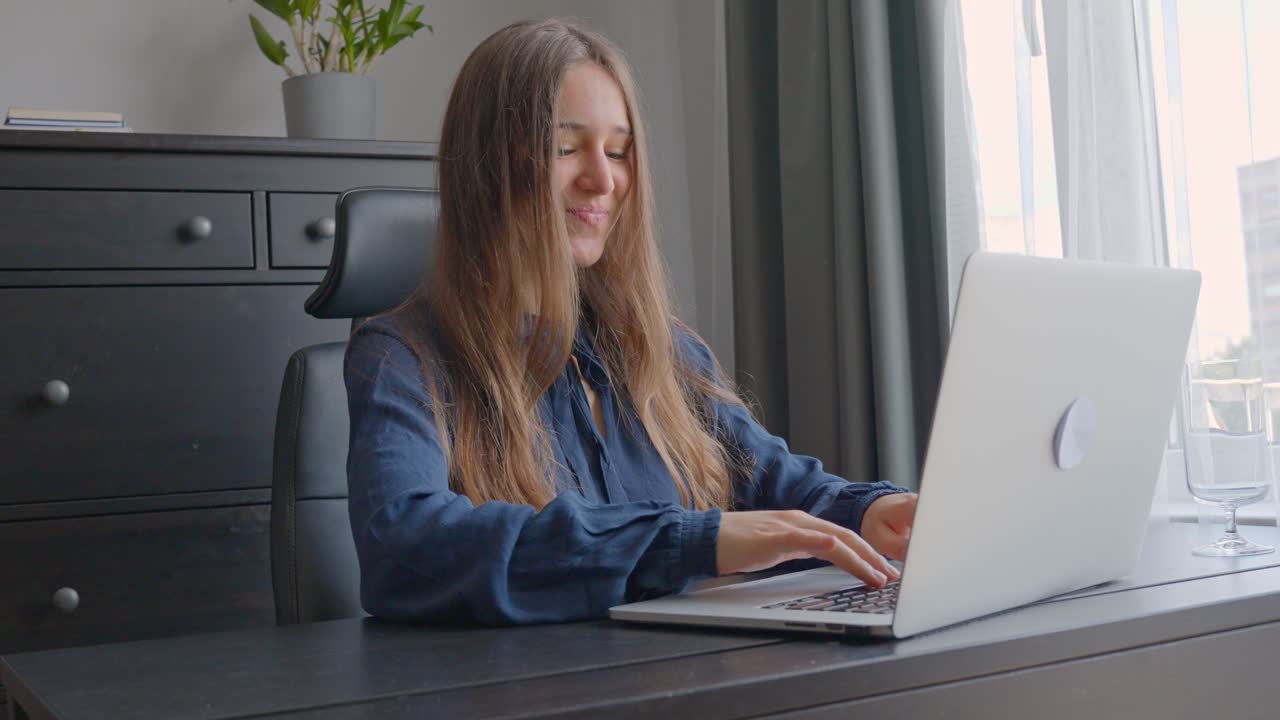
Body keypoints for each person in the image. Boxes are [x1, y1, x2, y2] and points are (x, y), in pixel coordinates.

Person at [344, 18, 918, 626]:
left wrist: (869, 512)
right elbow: (404, 546)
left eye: (618, 152)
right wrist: (691, 541)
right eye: (567, 149)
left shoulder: (659, 349)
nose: (604, 179)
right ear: (488, 165)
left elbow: (782, 487)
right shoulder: (400, 357)